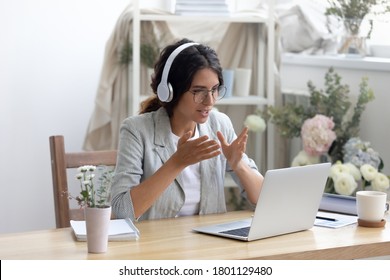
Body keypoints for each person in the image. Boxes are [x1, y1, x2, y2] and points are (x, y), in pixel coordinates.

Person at [111, 38, 264, 222]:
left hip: (211, 244)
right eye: (198, 91)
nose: (210, 101)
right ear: (169, 91)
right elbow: (122, 212)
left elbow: (263, 199)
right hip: (156, 246)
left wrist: (238, 165)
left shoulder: (220, 125)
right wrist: (177, 162)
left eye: (215, 89)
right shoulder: (136, 130)